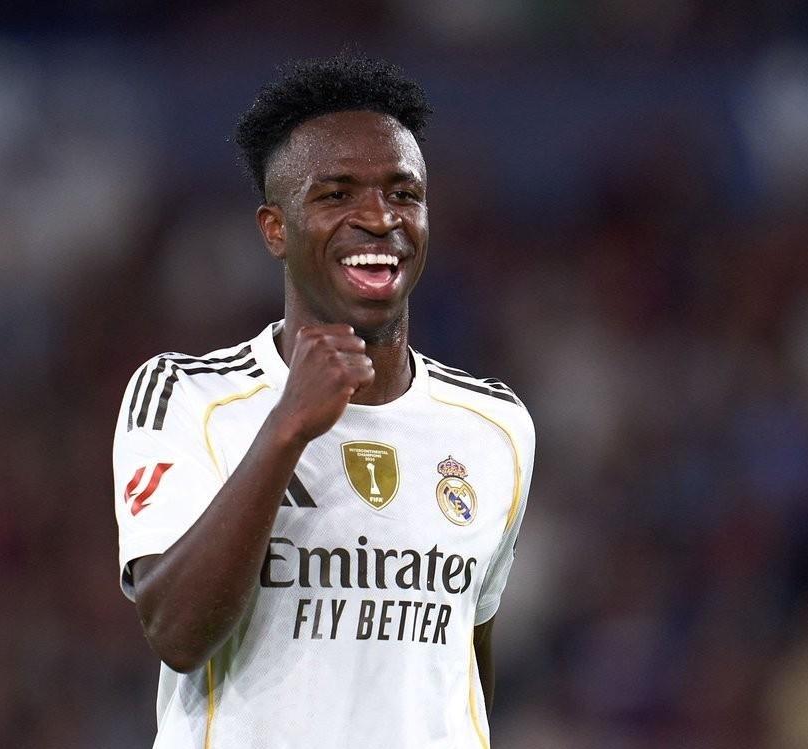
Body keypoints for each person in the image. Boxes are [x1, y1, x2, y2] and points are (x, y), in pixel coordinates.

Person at [113, 54, 535, 748]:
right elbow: (177, 632)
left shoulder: (495, 425)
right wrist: (287, 426)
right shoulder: (190, 397)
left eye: (403, 194)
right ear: (274, 228)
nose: (378, 217)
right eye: (336, 195)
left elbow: (459, 659)